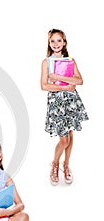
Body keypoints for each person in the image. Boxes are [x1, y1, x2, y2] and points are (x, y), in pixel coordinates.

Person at [40, 29, 89, 185]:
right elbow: (44, 85)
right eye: (52, 41)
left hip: (71, 102)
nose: (56, 44)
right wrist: (66, 86)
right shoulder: (46, 62)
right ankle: (55, 163)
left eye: (59, 40)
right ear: (49, 43)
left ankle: (66, 165)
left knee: (70, 135)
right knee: (64, 140)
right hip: (57, 104)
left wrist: (58, 78)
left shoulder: (70, 61)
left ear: (64, 42)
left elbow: (80, 80)